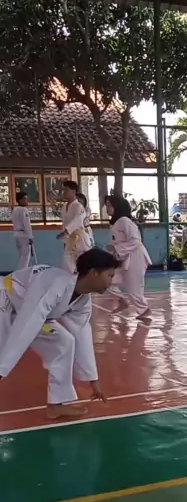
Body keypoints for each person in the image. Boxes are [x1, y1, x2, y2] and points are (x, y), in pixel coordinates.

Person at [0, 248, 121, 420]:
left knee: (64, 341)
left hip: (26, 311)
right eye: (109, 275)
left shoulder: (82, 301)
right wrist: (3, 368)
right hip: (5, 300)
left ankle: (56, 404)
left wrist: (93, 380)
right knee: (3, 352)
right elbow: (28, 322)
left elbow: (82, 336)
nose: (111, 282)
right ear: (94, 273)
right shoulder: (55, 284)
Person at [105, 195, 152, 320]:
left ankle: (144, 309)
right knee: (107, 280)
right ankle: (121, 301)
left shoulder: (125, 221)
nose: (107, 208)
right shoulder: (116, 223)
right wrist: (115, 250)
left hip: (136, 257)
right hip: (124, 257)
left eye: (109, 205)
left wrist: (116, 248)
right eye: (107, 205)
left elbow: (135, 241)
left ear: (117, 207)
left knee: (134, 289)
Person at [57, 180, 92, 273]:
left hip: (80, 238)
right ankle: (74, 280)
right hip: (70, 239)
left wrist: (66, 231)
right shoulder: (65, 206)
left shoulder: (78, 206)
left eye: (66, 190)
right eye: (63, 190)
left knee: (83, 263)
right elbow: (64, 223)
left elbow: (78, 221)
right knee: (68, 263)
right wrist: (65, 238)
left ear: (73, 191)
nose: (64, 192)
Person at [11, 192, 34, 270]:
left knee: (21, 256)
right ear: (20, 200)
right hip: (23, 235)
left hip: (16, 234)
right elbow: (26, 224)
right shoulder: (24, 210)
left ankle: (20, 272)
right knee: (25, 257)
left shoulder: (15, 209)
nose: (27, 200)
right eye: (25, 199)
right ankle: (22, 273)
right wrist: (30, 237)